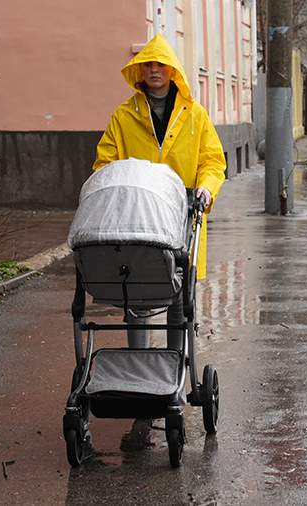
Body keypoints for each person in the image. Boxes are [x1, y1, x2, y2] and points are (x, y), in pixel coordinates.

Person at [94, 34, 226, 350]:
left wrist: (206, 192)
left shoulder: (195, 115)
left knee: (179, 295)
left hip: (182, 214)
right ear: (140, 70)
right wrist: (115, 193)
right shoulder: (124, 116)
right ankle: (138, 363)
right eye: (148, 64)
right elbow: (105, 163)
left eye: (161, 64)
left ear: (172, 70)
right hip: (137, 216)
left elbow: (212, 162)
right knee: (138, 288)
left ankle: (174, 367)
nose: (154, 69)